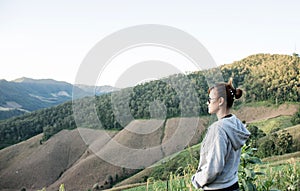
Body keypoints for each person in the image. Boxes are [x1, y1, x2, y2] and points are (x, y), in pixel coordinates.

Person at [191, 78, 250, 191]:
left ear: (221, 101)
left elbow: (214, 168)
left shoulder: (218, 129)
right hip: (233, 186)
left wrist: (197, 180)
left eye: (210, 99)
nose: (207, 102)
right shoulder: (235, 125)